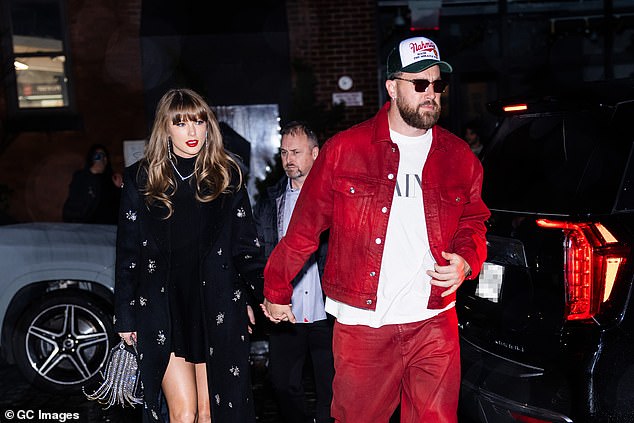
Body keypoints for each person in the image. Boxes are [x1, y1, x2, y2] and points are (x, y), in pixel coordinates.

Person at [261, 36, 490, 423]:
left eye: (437, 84)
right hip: (363, 324)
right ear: (392, 87)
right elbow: (304, 228)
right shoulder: (345, 150)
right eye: (419, 84)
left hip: (435, 320)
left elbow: (474, 218)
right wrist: (276, 287)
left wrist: (468, 260)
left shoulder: (459, 157)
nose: (430, 93)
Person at [114, 88, 265, 423]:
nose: (193, 131)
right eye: (181, 123)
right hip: (164, 307)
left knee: (211, 412)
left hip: (215, 304)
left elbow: (245, 247)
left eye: (199, 121)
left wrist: (262, 295)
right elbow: (127, 253)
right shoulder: (141, 178)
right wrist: (124, 315)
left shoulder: (226, 176)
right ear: (165, 128)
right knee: (183, 414)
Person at [253, 121, 333, 423]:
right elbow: (260, 255)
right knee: (283, 384)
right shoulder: (271, 202)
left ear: (315, 153)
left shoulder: (334, 198)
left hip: (328, 312)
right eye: (284, 152)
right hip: (287, 313)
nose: (288, 159)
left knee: (331, 388)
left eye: (296, 152)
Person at [62, 143, 122, 224]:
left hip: (108, 226)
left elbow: (119, 204)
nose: (101, 159)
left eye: (104, 156)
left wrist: (120, 187)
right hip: (86, 225)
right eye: (97, 156)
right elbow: (76, 198)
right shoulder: (82, 177)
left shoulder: (112, 179)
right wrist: (92, 173)